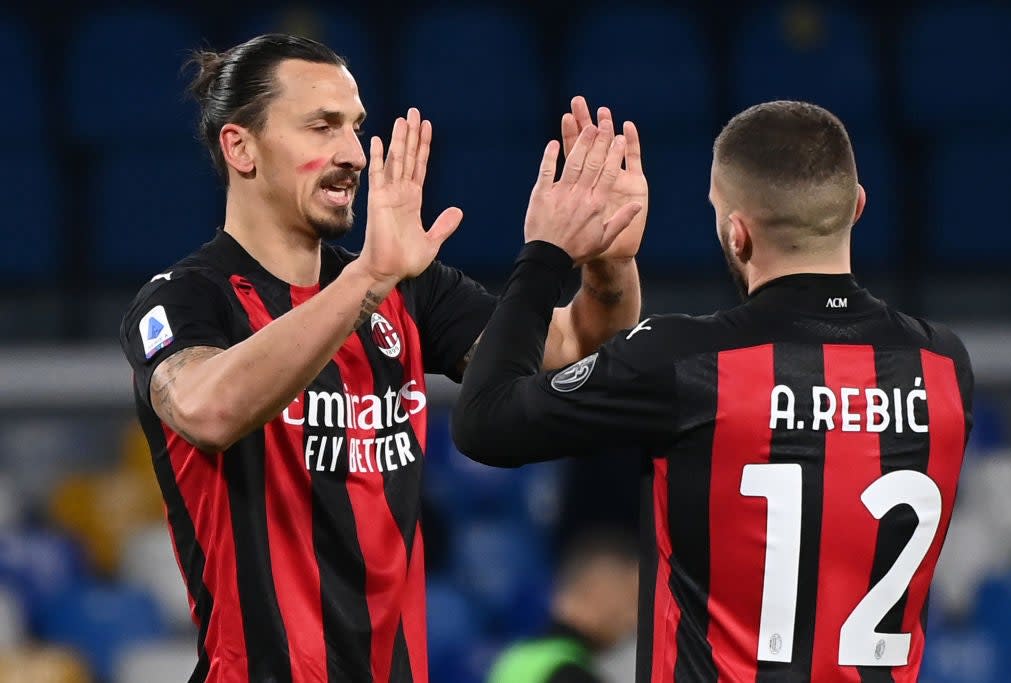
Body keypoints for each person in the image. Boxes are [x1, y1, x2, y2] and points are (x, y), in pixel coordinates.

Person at [118, 34, 648, 683]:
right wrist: (367, 277)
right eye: (321, 127)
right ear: (241, 147)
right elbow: (208, 407)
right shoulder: (186, 299)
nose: (350, 153)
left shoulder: (408, 286)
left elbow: (576, 351)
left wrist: (608, 264)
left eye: (355, 127)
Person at [452, 100, 974, 682]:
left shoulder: (688, 362)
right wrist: (608, 273)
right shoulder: (943, 365)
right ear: (857, 207)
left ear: (736, 232)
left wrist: (548, 252)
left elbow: (485, 421)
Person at [487, 530, 640, 683]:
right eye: (630, 600)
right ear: (594, 591)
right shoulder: (571, 674)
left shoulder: (514, 658)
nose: (633, 620)